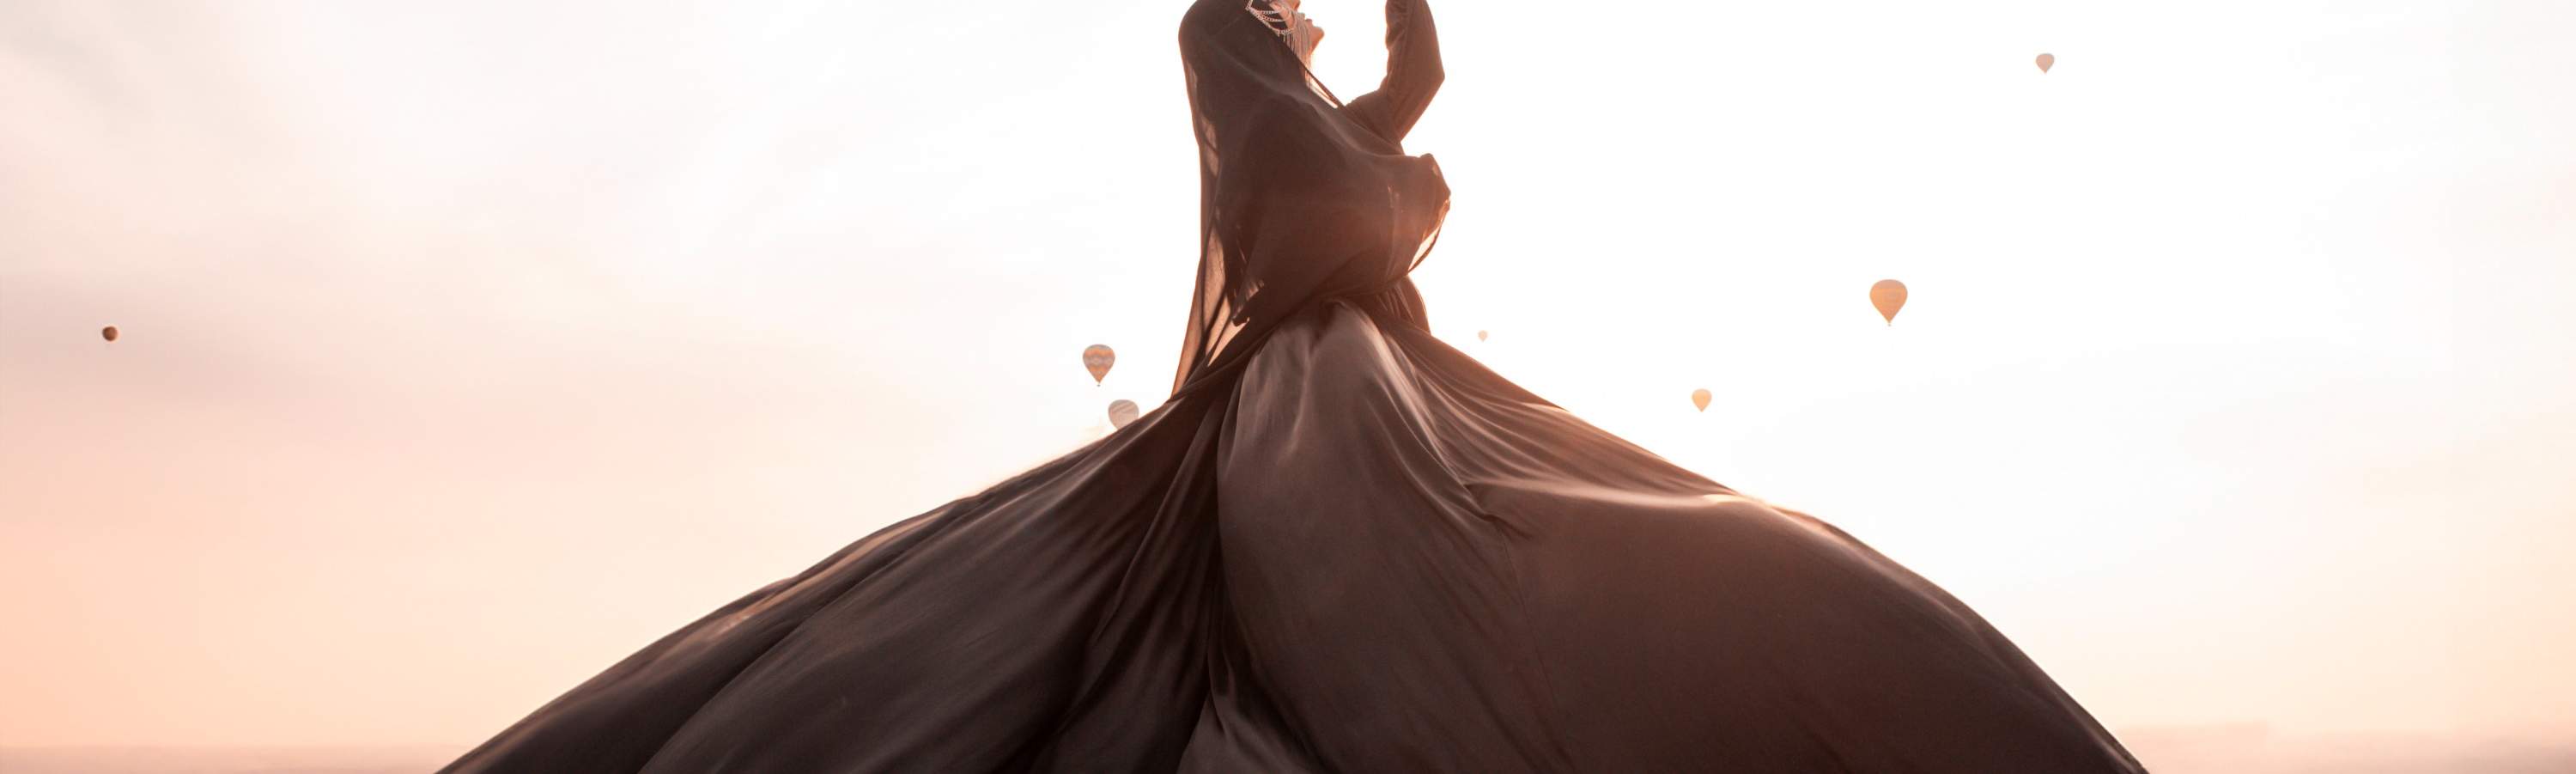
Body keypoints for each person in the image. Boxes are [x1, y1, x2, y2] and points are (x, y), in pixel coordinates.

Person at [445, 1, 2146, 771]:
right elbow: (1314, 177)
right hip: (1320, 380)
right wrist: (1392, 182)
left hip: (1386, 362)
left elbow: (1406, 89)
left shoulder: (1309, 82)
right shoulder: (1217, 35)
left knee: (1739, 552)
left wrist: (1402, 66)